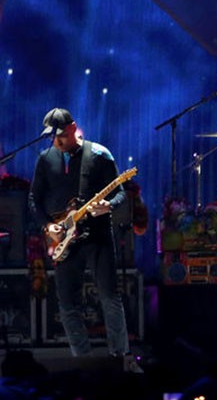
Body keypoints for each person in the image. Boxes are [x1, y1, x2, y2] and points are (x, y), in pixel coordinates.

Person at [27, 108, 140, 372]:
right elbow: (34, 198)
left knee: (109, 297)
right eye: (52, 137)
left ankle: (119, 357)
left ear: (72, 128)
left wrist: (108, 206)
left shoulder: (99, 154)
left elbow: (121, 193)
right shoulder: (45, 159)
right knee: (67, 303)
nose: (57, 141)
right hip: (63, 239)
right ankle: (83, 360)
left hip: (97, 235)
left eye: (60, 136)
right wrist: (48, 226)